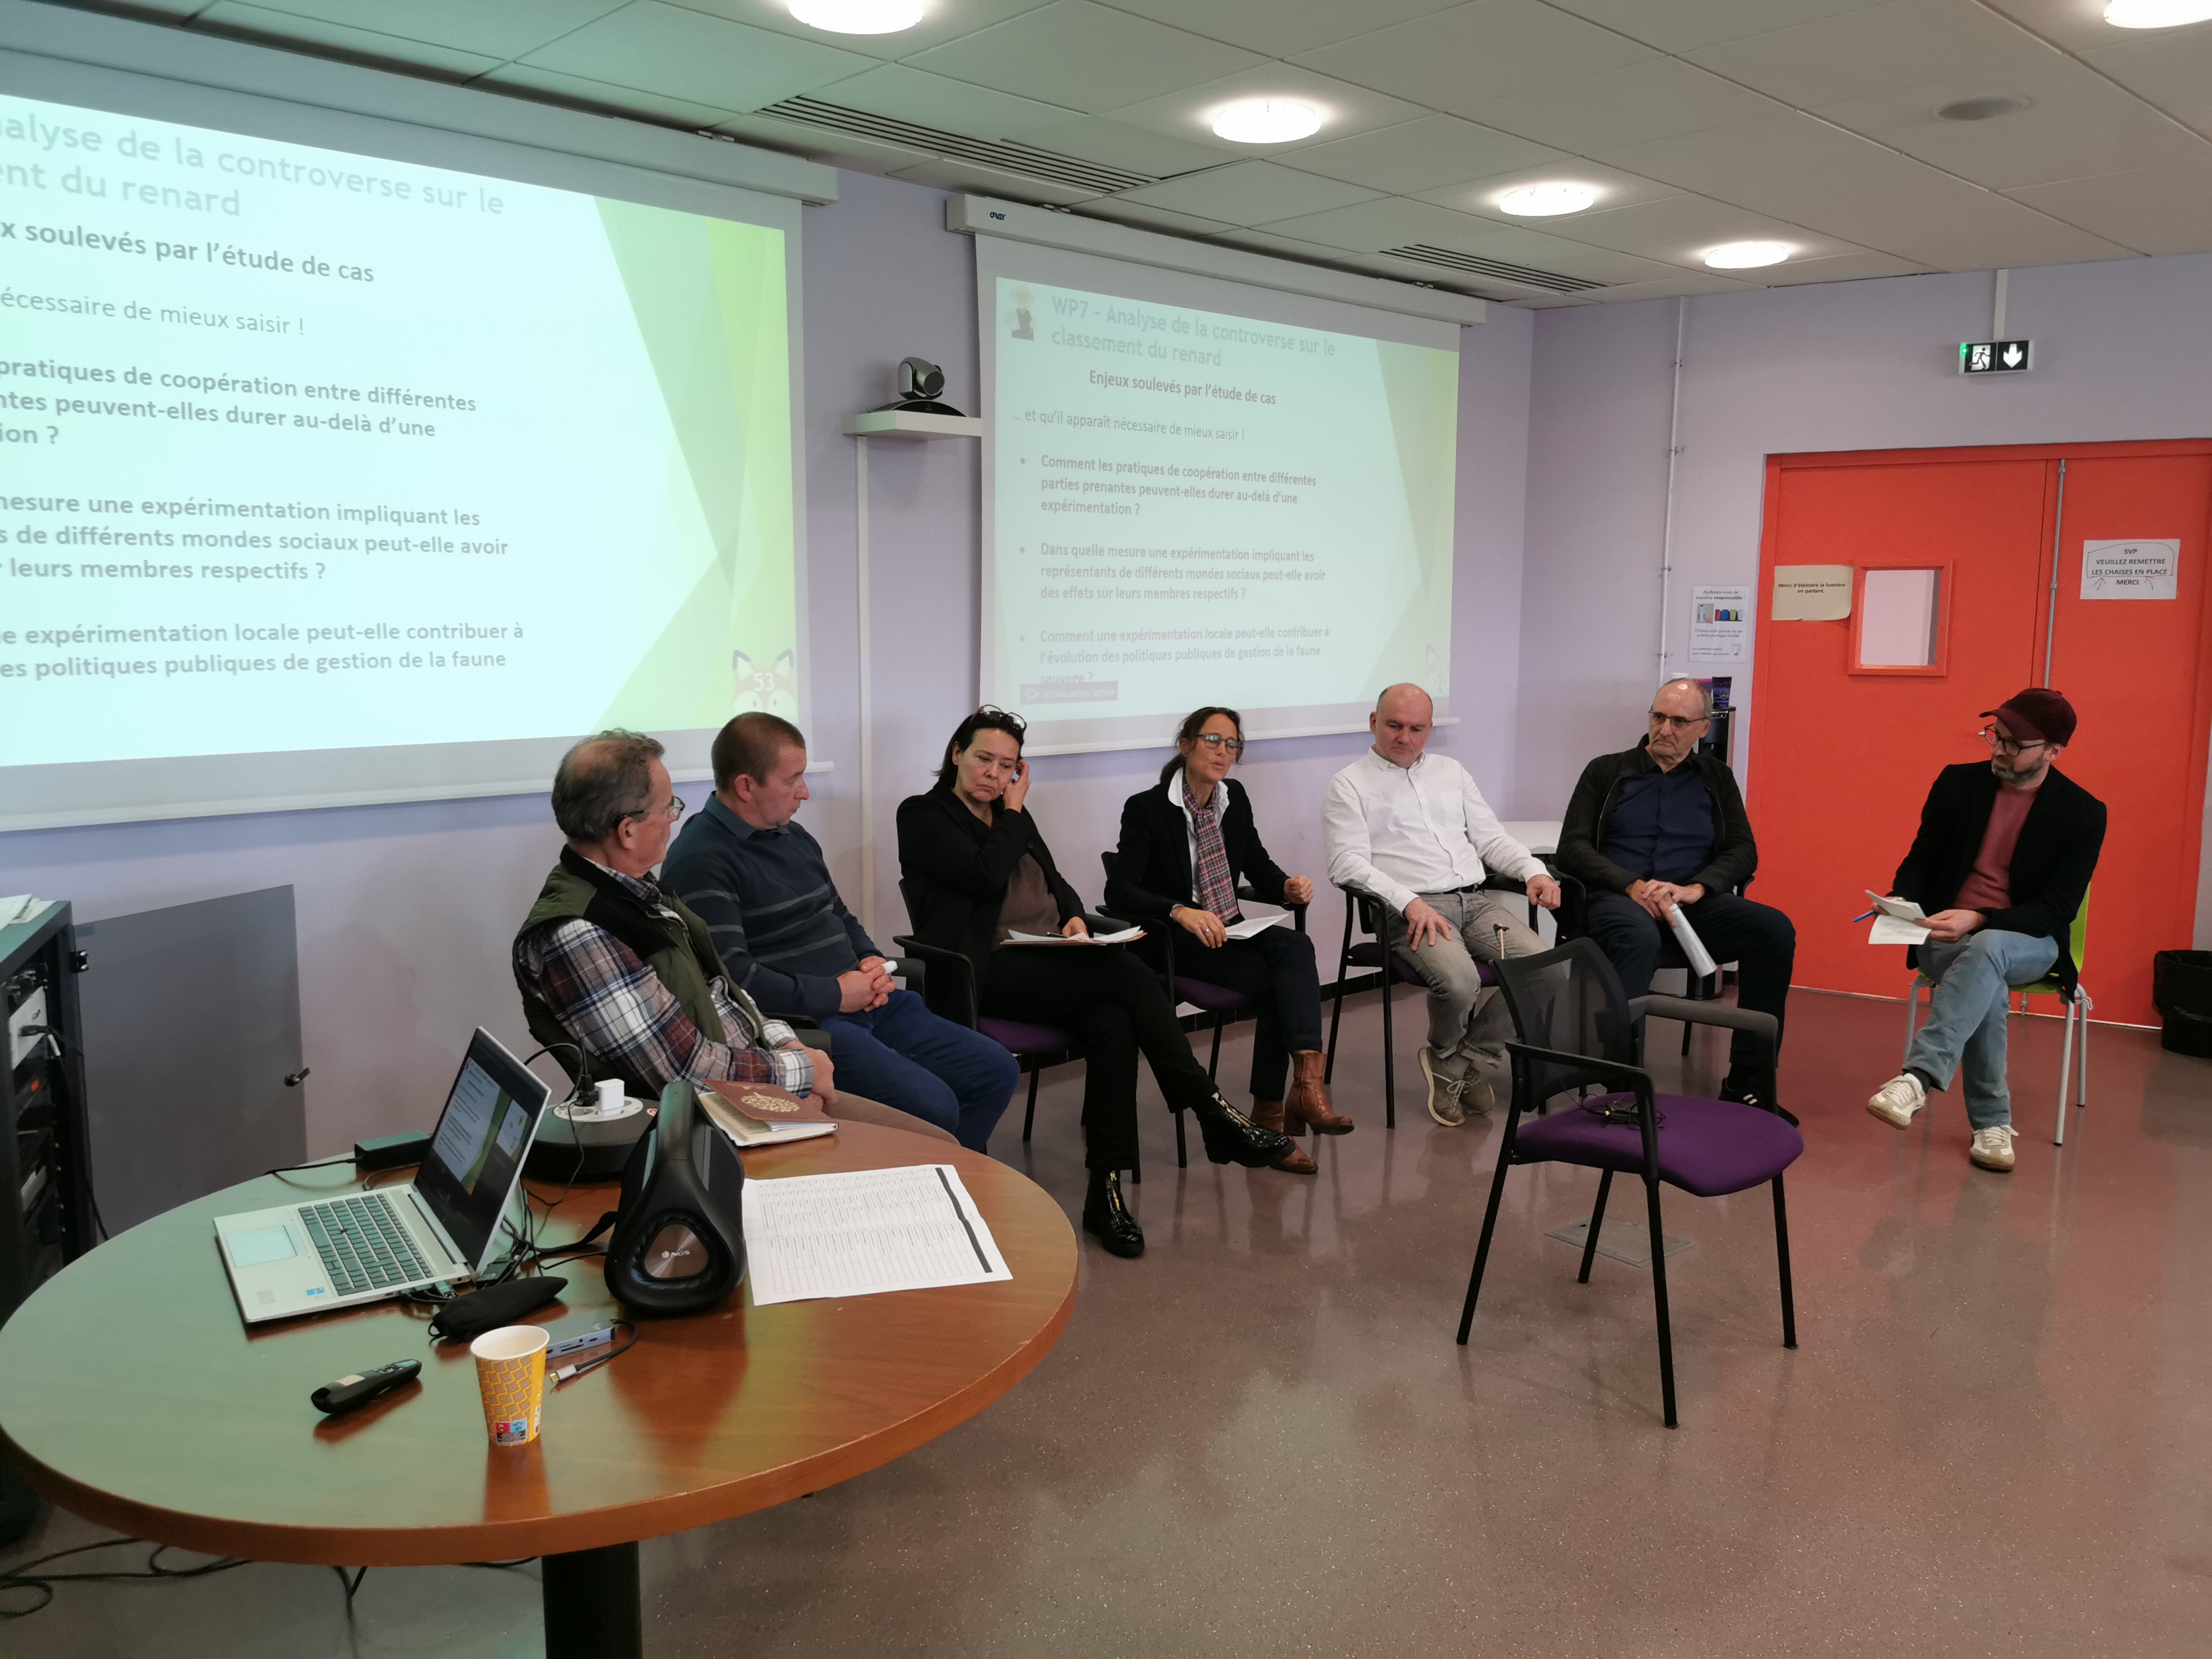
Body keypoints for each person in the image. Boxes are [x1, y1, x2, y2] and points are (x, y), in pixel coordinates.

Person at [896, 706, 1293, 1260]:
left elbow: (1056, 882)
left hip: (1049, 958)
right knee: (1127, 971)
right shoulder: (923, 814)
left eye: (1008, 766)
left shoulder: (1012, 817)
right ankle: (1213, 1111)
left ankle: (1104, 1193)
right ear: (957, 754)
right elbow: (984, 876)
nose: (994, 774)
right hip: (983, 969)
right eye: (985, 759)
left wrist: (1075, 918)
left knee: (1115, 1021)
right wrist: (1014, 810)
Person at [512, 730, 949, 1142]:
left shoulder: (638, 893)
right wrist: (799, 1071)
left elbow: (725, 992)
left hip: (753, 1082)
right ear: (628, 830)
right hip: (707, 1124)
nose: (674, 818)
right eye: (668, 808)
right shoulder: (580, 936)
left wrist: (787, 1045)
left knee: (937, 1131)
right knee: (933, 1136)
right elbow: (682, 1072)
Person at [662, 712, 1017, 1153]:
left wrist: (870, 959)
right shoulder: (702, 859)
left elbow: (839, 914)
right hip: (810, 1024)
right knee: (936, 1105)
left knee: (996, 1070)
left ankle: (954, 1176)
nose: (805, 792)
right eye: (793, 780)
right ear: (746, 786)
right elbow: (732, 981)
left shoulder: (792, 836)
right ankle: (934, 1176)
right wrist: (836, 994)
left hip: (867, 1002)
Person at [1866, 689, 2105, 1172]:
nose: (1999, 749)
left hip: (2029, 943)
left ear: (2053, 752)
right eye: (1996, 736)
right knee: (1985, 975)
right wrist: (1903, 904)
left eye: (2015, 744)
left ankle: (1917, 1077)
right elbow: (1922, 860)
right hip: (1947, 939)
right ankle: (1992, 1124)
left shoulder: (2082, 812)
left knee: (1990, 946)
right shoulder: (1957, 784)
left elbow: (2056, 910)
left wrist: (1980, 919)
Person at [1106, 706, 1352, 1173]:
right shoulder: (1147, 808)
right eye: (1212, 740)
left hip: (1229, 927)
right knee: (1282, 983)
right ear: (1186, 745)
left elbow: (1255, 862)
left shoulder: (1233, 797)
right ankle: (1274, 1116)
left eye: (1232, 744)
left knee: (1295, 948)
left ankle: (1303, 1088)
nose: (1224, 751)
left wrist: (1285, 887)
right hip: (1176, 940)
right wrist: (1180, 910)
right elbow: (1119, 889)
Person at [1322, 684, 1560, 1126]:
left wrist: (1534, 871)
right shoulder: (1349, 784)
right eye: (1394, 726)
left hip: (1474, 901)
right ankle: (1454, 1060)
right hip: (1408, 909)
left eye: (1417, 728)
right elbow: (1346, 865)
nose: (1405, 737)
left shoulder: (1451, 772)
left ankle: (1455, 1060)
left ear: (1430, 730)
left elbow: (1490, 839)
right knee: (1460, 982)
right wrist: (1408, 901)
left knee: (1550, 969)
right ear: (1374, 723)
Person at [1555, 678, 1796, 1110]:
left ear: (1703, 728)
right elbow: (1572, 848)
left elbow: (1743, 851)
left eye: (1679, 722)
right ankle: (1619, 1088)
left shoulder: (1716, 778)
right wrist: (1630, 884)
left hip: (1689, 903)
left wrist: (1695, 889)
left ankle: (1749, 1083)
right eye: (1659, 717)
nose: (1665, 729)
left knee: (1774, 930)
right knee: (1638, 937)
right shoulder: (1606, 771)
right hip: (1618, 898)